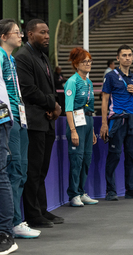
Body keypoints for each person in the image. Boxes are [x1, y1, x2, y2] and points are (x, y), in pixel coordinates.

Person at [15, 19, 63, 228]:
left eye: (48, 32)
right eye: (42, 33)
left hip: (46, 121)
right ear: (29, 34)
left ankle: (42, 209)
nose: (47, 36)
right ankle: (33, 215)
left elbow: (49, 88)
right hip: (34, 121)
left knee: (41, 170)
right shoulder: (23, 57)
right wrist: (52, 104)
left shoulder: (42, 56)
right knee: (32, 171)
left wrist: (53, 106)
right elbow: (28, 90)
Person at [0, 19, 41, 239]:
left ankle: (16, 219)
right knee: (13, 170)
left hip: (20, 118)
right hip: (9, 119)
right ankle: (13, 221)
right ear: (3, 36)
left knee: (22, 170)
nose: (20, 35)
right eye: (16, 32)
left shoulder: (12, 60)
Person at [100, 44, 133, 201]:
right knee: (114, 155)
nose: (127, 58)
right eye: (124, 55)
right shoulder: (111, 76)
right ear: (118, 58)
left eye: (130, 55)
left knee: (131, 155)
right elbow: (105, 100)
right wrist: (104, 123)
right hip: (117, 119)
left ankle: (131, 188)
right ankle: (111, 190)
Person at [64, 47, 98, 207]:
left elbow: (89, 107)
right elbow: (69, 108)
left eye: (89, 61)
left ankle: (81, 191)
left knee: (86, 159)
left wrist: (92, 132)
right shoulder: (72, 81)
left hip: (87, 122)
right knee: (76, 159)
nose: (88, 64)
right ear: (76, 64)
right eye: (84, 61)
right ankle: (74, 194)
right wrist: (72, 131)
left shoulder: (89, 82)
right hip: (76, 123)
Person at [0, 19, 18, 255]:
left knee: (1, 173)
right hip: (6, 117)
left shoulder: (4, 56)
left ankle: (5, 232)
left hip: (1, 117)